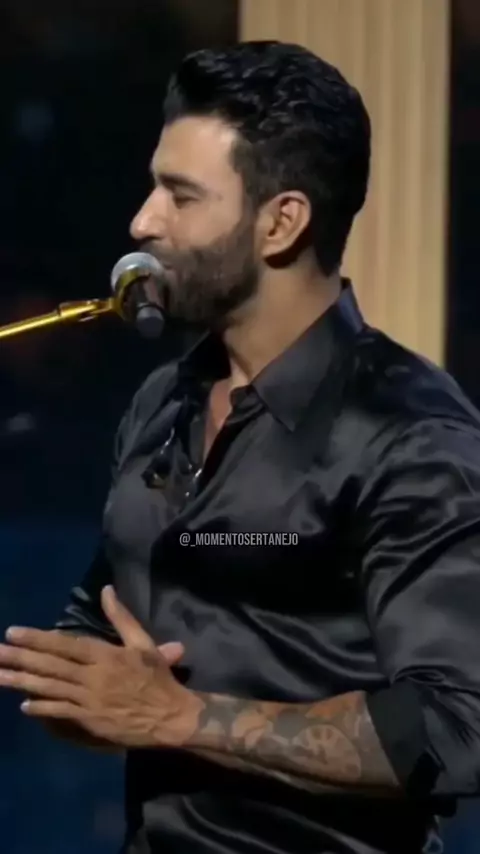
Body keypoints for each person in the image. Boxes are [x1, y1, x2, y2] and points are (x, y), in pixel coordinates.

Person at [1, 39, 480, 854]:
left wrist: (180, 718)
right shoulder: (163, 400)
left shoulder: (411, 430)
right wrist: (82, 686)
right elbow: (101, 634)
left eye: (180, 195)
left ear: (281, 222)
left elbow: (455, 726)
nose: (143, 221)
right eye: (154, 185)